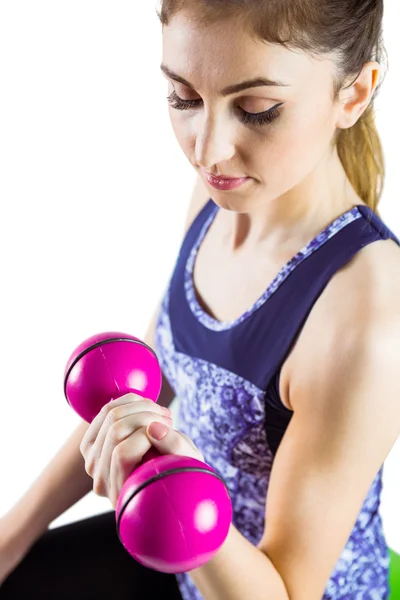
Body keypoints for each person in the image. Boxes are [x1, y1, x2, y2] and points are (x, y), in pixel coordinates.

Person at [1, 0, 400, 598]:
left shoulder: (367, 317)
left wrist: (180, 480)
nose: (207, 151)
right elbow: (153, 389)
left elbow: (287, 592)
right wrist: (7, 540)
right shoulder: (219, 198)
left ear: (354, 93)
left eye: (258, 110)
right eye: (184, 98)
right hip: (175, 540)